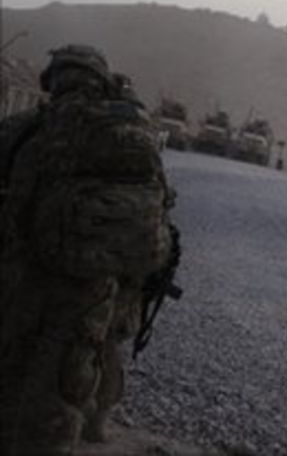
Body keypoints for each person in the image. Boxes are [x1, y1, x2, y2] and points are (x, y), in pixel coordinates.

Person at [0, 45, 179, 454]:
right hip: (95, 292)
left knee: (14, 378)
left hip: (24, 279)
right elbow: (158, 214)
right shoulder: (134, 133)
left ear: (53, 80)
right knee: (68, 386)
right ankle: (86, 430)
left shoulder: (25, 129)